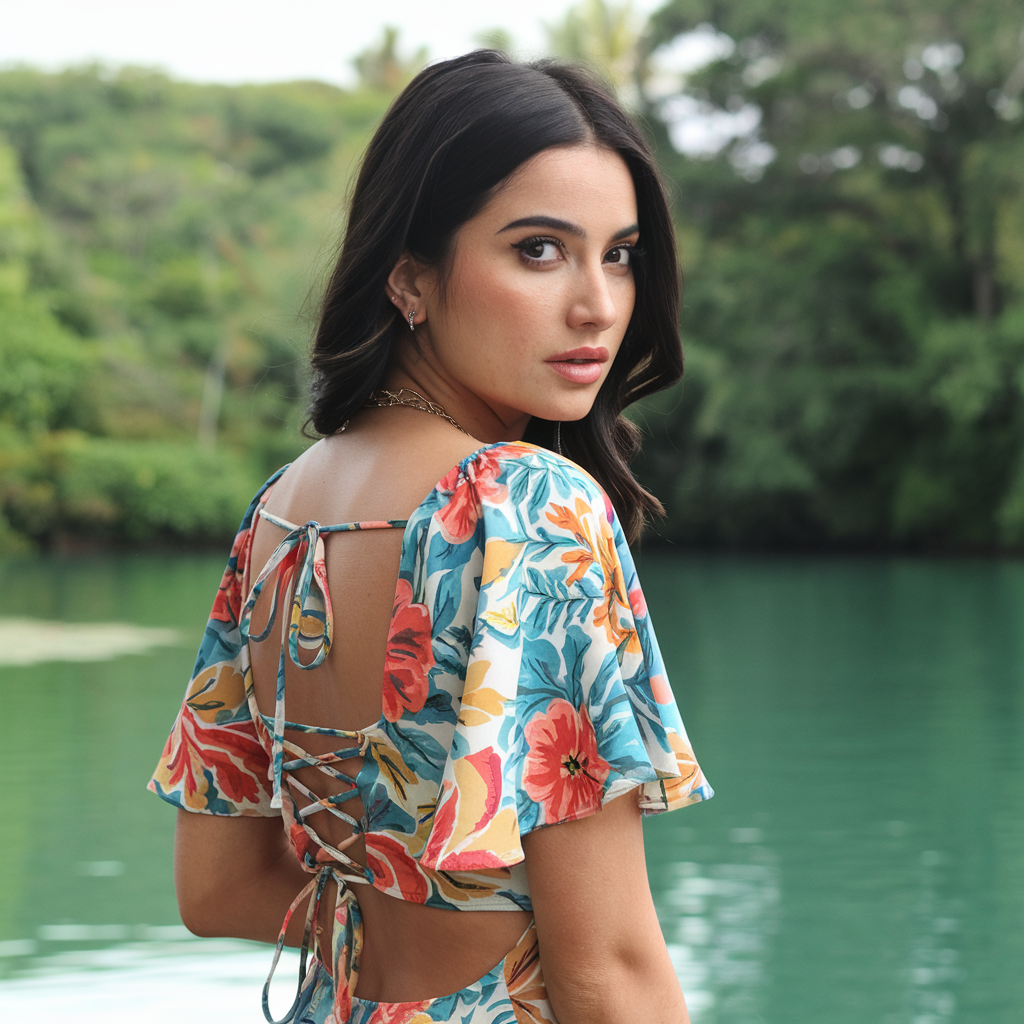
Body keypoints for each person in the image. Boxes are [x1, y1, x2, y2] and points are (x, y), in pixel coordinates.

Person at [149, 50, 712, 1024]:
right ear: (409, 277)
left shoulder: (282, 511)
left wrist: (402, 926)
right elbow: (610, 970)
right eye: (539, 250)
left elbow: (218, 888)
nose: (599, 304)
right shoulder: (528, 505)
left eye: (619, 254)